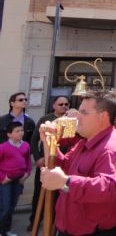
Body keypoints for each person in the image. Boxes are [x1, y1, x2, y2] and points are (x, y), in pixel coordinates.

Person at [40, 91, 116, 235]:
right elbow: (64, 167)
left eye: (84, 112)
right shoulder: (86, 141)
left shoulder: (112, 147)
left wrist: (65, 182)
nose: (77, 117)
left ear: (103, 116)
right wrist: (49, 142)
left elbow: (109, 188)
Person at [28, 96, 70, 231]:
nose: (63, 106)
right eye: (60, 104)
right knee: (39, 193)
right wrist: (37, 158)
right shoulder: (45, 119)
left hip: (62, 163)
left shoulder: (69, 121)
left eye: (66, 104)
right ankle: (34, 220)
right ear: (54, 105)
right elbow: (34, 140)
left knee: (59, 194)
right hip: (44, 161)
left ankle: (54, 223)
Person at [0, 122, 32, 236]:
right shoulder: (3, 147)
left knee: (12, 206)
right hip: (6, 181)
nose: (21, 133)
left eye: (22, 130)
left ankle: (6, 230)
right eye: (17, 131)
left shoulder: (26, 146)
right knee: (5, 207)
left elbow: (28, 162)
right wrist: (3, 178)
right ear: (9, 134)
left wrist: (26, 174)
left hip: (19, 180)